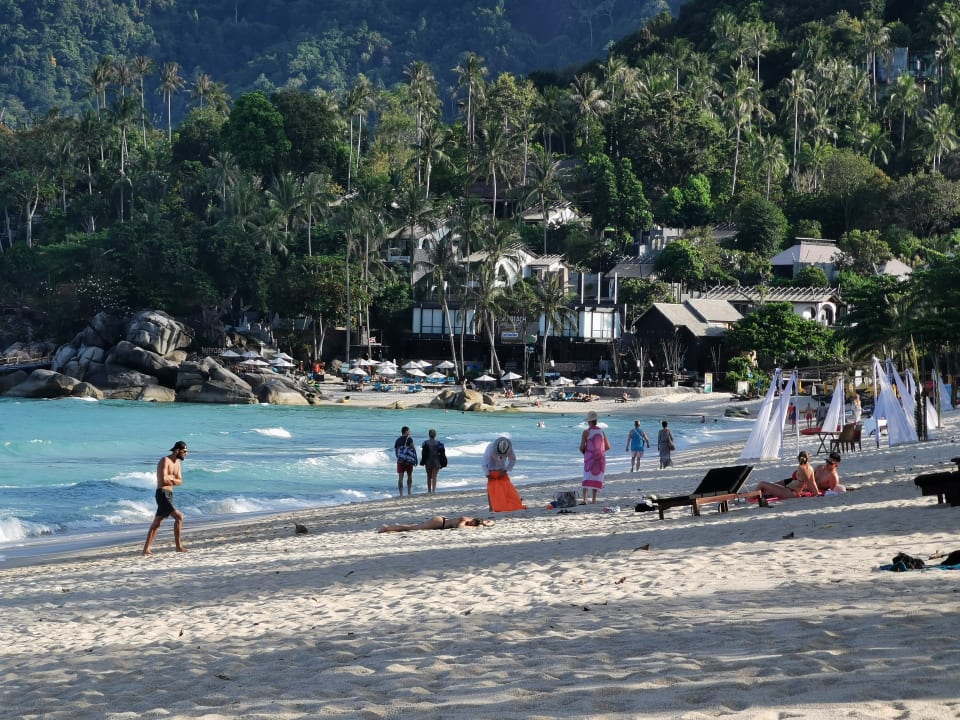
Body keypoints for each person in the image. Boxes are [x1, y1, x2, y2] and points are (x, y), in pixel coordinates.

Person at [143, 441, 189, 555]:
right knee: (179, 517)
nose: (186, 454)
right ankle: (178, 546)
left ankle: (146, 549)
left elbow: (180, 481)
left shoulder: (177, 464)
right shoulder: (165, 460)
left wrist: (171, 478)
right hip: (162, 493)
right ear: (177, 450)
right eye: (184, 452)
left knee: (157, 522)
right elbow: (163, 480)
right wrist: (174, 479)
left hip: (169, 494)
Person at [482, 436, 525, 512]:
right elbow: (484, 464)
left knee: (506, 487)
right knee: (491, 489)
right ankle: (491, 507)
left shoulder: (509, 449)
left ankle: (507, 503)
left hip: (502, 469)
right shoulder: (490, 449)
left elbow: (513, 460)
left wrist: (505, 470)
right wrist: (488, 475)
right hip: (491, 469)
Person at [756, 450, 820, 499]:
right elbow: (813, 482)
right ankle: (750, 496)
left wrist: (814, 493)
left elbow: (808, 483)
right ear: (808, 458)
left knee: (762, 484)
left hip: (789, 492)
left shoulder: (802, 468)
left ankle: (747, 500)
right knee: (766, 490)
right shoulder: (810, 468)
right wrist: (817, 492)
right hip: (790, 491)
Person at [579, 410, 610, 504]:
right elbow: (608, 446)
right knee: (596, 477)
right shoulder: (602, 431)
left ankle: (585, 499)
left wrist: (586, 453)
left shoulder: (586, 432)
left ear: (589, 422)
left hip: (590, 458)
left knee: (586, 476)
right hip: (600, 458)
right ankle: (594, 499)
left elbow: (581, 447)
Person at [378, 515, 494, 532]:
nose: (471, 525)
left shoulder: (472, 519)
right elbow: (461, 528)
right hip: (440, 523)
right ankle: (386, 529)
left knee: (414, 526)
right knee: (411, 528)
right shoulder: (465, 521)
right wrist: (475, 529)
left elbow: (490, 521)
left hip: (441, 519)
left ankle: (389, 528)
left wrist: (485, 524)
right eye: (472, 524)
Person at [421, 428, 443, 493]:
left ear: (429, 435)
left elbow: (423, 452)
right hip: (436, 461)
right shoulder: (438, 443)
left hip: (428, 461)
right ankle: (433, 490)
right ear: (435, 435)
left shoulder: (425, 442)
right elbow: (441, 453)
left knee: (428, 476)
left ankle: (429, 490)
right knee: (434, 476)